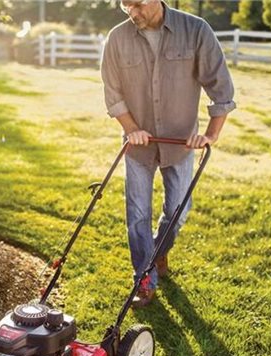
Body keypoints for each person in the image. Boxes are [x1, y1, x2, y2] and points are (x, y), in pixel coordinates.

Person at [100, 0, 235, 307]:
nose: (132, 13)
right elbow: (112, 92)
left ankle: (158, 252)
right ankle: (144, 279)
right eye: (126, 6)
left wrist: (211, 134)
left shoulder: (196, 30)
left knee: (177, 213)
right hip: (138, 145)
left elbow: (221, 88)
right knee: (137, 216)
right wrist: (131, 127)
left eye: (137, 5)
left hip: (180, 145)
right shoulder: (118, 38)